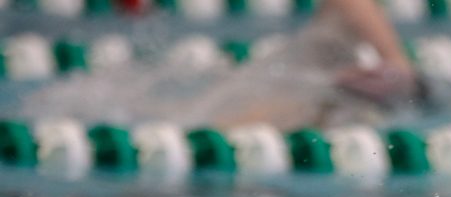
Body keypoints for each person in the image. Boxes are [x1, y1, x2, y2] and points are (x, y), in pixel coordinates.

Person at [21, 0, 425, 129]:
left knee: (181, 124)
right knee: (179, 122)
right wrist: (395, 66)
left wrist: (395, 65)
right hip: (313, 95)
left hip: (311, 96)